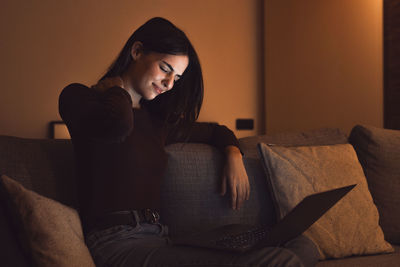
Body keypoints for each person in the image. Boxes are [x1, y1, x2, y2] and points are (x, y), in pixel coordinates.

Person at [59, 17, 318, 267]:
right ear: (137, 51)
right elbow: (117, 126)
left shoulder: (157, 123)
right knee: (277, 261)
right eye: (165, 68)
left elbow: (217, 131)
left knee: (300, 245)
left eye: (177, 78)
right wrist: (117, 89)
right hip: (116, 245)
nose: (169, 84)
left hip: (161, 239)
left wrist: (233, 154)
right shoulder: (79, 98)